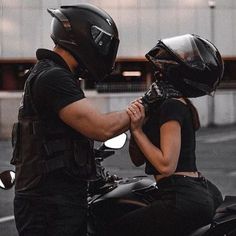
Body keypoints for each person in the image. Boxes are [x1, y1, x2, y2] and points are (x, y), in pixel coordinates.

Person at [10, 4, 180, 236]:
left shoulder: (51, 74)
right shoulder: (53, 77)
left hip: (53, 198)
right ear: (82, 37)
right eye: (102, 42)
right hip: (49, 204)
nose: (104, 50)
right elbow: (101, 127)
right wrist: (150, 99)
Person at [107, 34, 224, 236]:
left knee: (115, 229)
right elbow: (137, 160)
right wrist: (138, 124)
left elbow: (166, 165)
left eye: (160, 68)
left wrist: (135, 130)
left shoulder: (172, 105)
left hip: (182, 195)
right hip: (189, 192)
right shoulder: (163, 104)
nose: (156, 71)